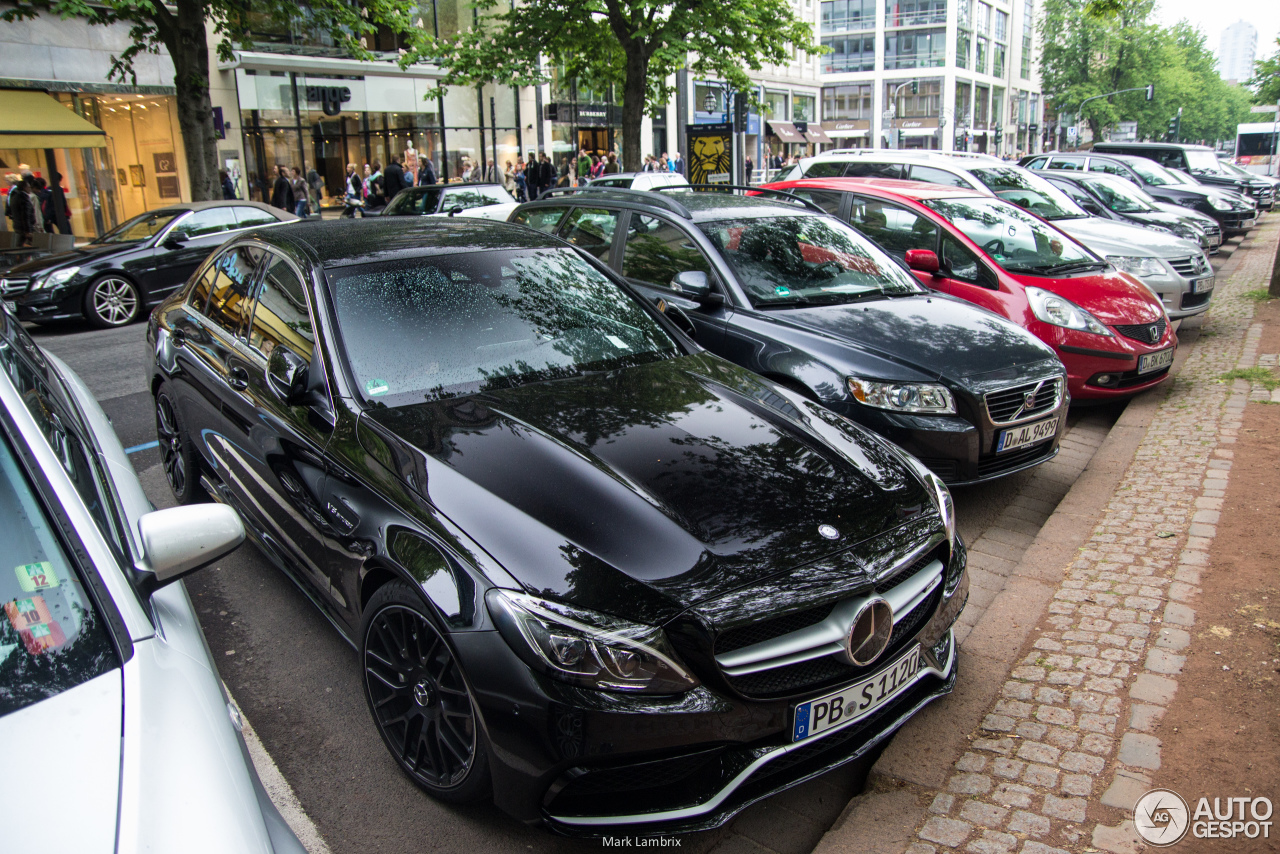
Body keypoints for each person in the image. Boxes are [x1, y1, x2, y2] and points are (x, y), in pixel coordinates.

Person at [8, 175, 37, 247]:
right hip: (24, 227)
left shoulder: (14, 196)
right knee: (35, 243)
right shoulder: (23, 198)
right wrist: (28, 230)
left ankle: (19, 257)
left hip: (18, 225)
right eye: (29, 187)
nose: (30, 189)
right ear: (24, 188)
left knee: (20, 244)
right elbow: (25, 215)